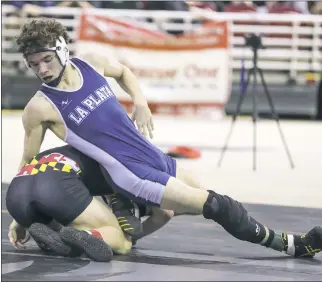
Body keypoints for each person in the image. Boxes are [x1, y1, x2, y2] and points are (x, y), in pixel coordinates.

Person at [14, 18, 321, 261]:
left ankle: (111, 235)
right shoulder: (40, 107)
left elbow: (123, 73)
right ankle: (292, 245)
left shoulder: (91, 63)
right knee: (218, 205)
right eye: (34, 64)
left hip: (152, 154)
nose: (41, 69)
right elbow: (28, 161)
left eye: (46, 60)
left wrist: (141, 102)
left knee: (171, 209)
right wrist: (23, 217)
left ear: (62, 49)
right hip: (130, 173)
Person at [7, 145, 173, 261]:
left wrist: (19, 221)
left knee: (65, 219)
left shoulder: (84, 145)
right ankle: (86, 236)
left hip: (17, 193)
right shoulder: (128, 165)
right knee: (122, 242)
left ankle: (57, 237)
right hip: (56, 185)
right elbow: (165, 213)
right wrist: (130, 235)